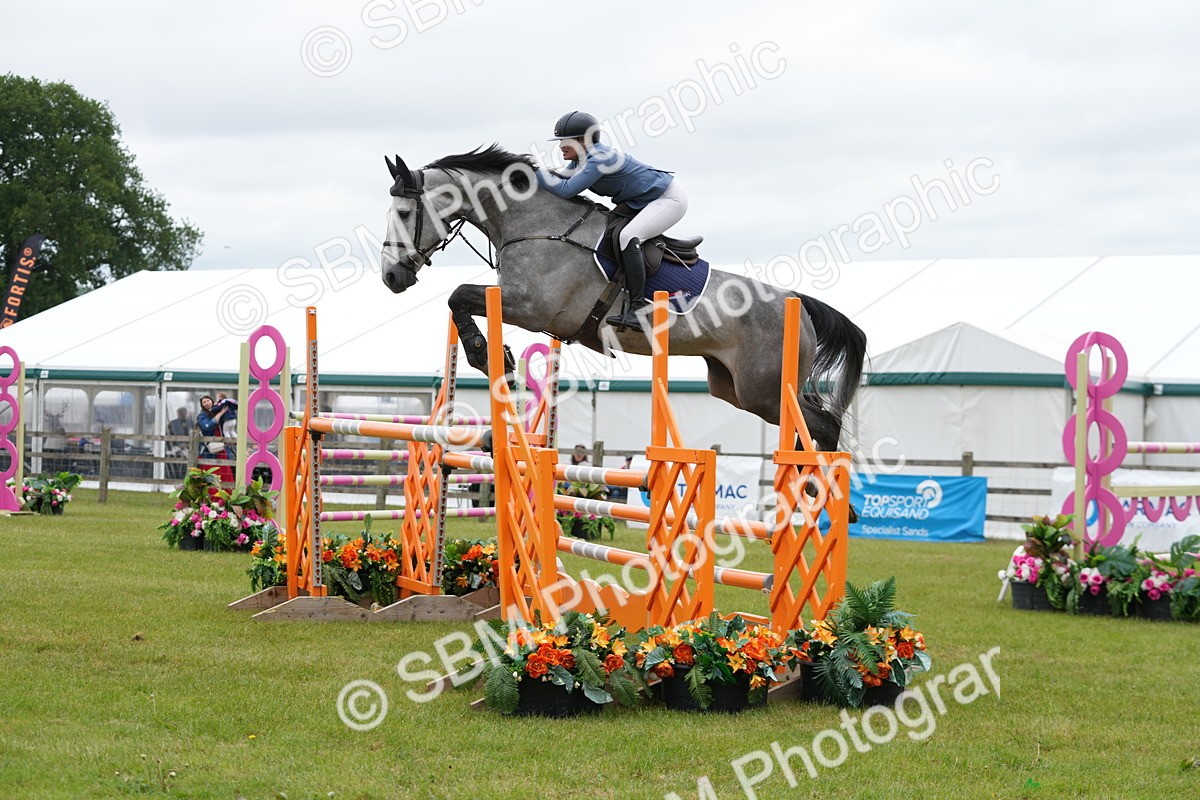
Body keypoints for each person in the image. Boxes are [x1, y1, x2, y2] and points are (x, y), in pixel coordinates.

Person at [534, 111, 687, 331]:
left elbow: (566, 190)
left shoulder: (599, 158)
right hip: (642, 202)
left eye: (564, 141)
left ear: (582, 140)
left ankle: (638, 311)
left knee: (628, 236)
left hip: (668, 199)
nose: (560, 147)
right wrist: (531, 173)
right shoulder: (581, 159)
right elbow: (560, 178)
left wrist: (533, 173)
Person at [197, 395, 234, 485]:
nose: (206, 403)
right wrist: (220, 414)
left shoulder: (216, 410)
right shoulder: (202, 416)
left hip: (222, 449)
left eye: (208, 400)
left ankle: (226, 492)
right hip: (209, 451)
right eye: (204, 402)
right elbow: (207, 427)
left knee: (224, 473)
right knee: (210, 475)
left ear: (212, 401)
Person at [166, 408, 191, 480]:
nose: (182, 414)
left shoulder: (190, 423)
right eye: (180, 412)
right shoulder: (172, 423)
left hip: (188, 448)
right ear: (177, 413)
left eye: (184, 412)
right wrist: (177, 445)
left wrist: (188, 444)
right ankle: (176, 476)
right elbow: (168, 437)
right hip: (175, 448)